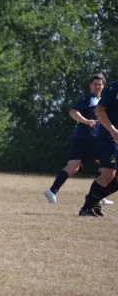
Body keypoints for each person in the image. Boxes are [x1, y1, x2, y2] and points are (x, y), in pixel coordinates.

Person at [44, 74, 113, 209]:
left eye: (100, 84)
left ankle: (52, 190)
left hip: (79, 138)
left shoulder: (101, 101)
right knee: (107, 165)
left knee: (73, 166)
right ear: (90, 85)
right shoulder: (88, 99)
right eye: (95, 84)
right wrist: (87, 121)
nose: (97, 86)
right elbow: (73, 113)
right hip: (89, 137)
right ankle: (98, 196)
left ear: (103, 86)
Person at [79, 77, 118, 216]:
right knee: (108, 173)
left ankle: (94, 201)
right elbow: (99, 111)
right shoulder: (115, 88)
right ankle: (87, 207)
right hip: (109, 136)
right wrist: (113, 131)